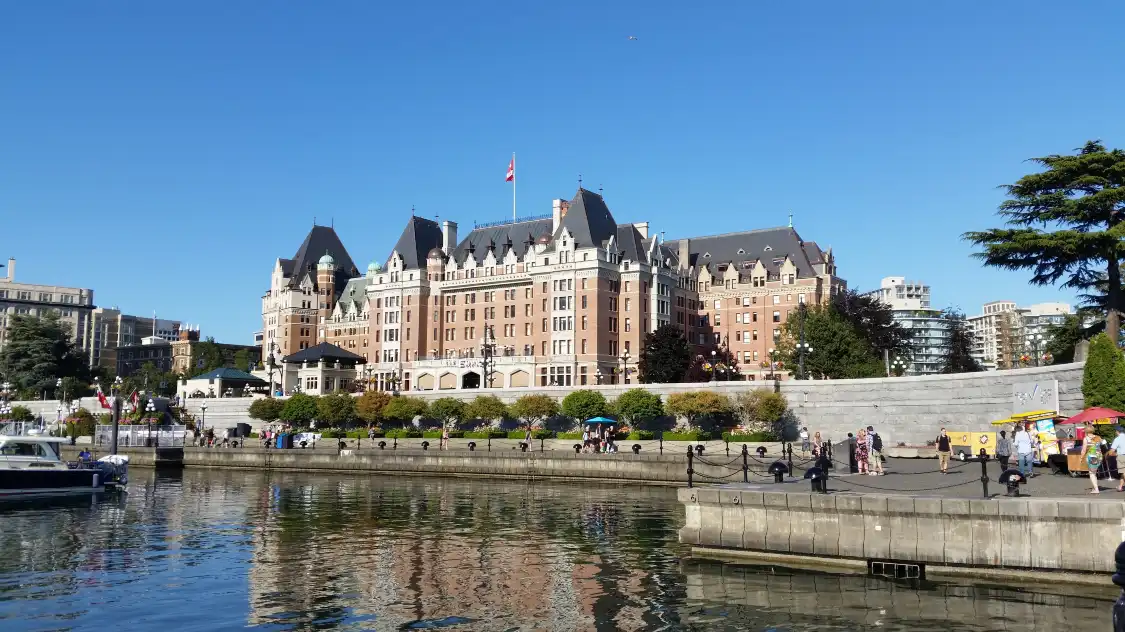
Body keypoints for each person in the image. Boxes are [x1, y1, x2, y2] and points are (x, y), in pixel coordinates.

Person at [1082, 424, 1104, 494]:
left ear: (1086, 431)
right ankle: (1094, 487)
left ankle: (1096, 489)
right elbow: (1103, 444)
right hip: (1099, 456)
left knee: (1092, 473)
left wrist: (1081, 457)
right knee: (1094, 472)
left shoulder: (1086, 439)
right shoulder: (1098, 437)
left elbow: (1083, 450)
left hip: (1092, 457)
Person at [1111, 426, 1125, 492]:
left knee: (1123, 472)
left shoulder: (1117, 439)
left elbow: (1111, 451)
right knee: (1123, 473)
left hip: (1122, 457)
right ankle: (1120, 486)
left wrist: (1115, 454)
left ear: (1117, 431)